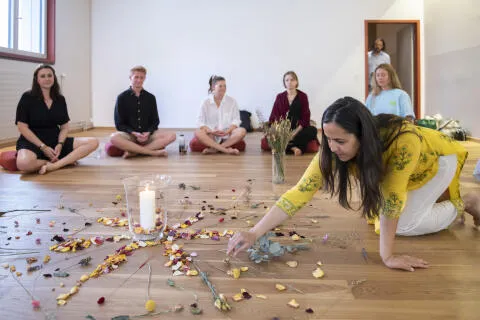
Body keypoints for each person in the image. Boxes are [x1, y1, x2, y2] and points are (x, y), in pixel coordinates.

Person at [228, 97, 480, 272]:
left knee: (404, 224)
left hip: (436, 162)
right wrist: (254, 232)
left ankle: (467, 202)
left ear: (363, 136)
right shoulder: (333, 148)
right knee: (387, 222)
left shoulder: (404, 142)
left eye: (340, 141)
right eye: (327, 139)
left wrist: (388, 256)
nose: (332, 147)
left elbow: (392, 198)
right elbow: (299, 193)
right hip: (407, 173)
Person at [15, 64, 98, 174]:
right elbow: (22, 127)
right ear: (37, 79)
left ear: (54, 77)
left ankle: (56, 165)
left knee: (93, 142)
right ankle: (54, 161)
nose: (47, 79)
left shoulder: (60, 99)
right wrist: (43, 147)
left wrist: (60, 144)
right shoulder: (27, 97)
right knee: (23, 163)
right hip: (33, 141)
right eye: (43, 76)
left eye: (50, 75)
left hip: (55, 140)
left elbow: (64, 127)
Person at [110, 66, 176, 158]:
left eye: (141, 77)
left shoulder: (151, 98)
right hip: (130, 135)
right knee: (113, 138)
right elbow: (119, 124)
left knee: (172, 135)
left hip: (148, 135)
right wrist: (134, 133)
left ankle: (135, 152)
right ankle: (152, 152)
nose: (139, 80)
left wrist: (148, 132)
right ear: (130, 78)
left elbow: (155, 121)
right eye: (136, 77)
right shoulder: (121, 97)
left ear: (144, 78)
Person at [267, 71, 318, 156]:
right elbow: (274, 116)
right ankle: (294, 147)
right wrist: (282, 132)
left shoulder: (303, 96)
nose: (289, 82)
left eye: (292, 80)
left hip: (298, 129)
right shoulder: (279, 97)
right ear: (284, 82)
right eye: (287, 80)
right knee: (269, 133)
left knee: (313, 131)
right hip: (283, 129)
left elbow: (306, 117)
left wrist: (294, 133)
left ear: (296, 82)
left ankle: (286, 146)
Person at [194, 75, 246, 155]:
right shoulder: (205, 102)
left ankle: (215, 149)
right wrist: (211, 131)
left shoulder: (232, 101)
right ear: (213, 88)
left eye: (225, 86)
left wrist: (228, 130)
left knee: (242, 131)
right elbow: (199, 121)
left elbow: (236, 120)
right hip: (211, 134)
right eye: (220, 86)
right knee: (198, 132)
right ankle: (225, 150)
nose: (223, 88)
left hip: (227, 134)